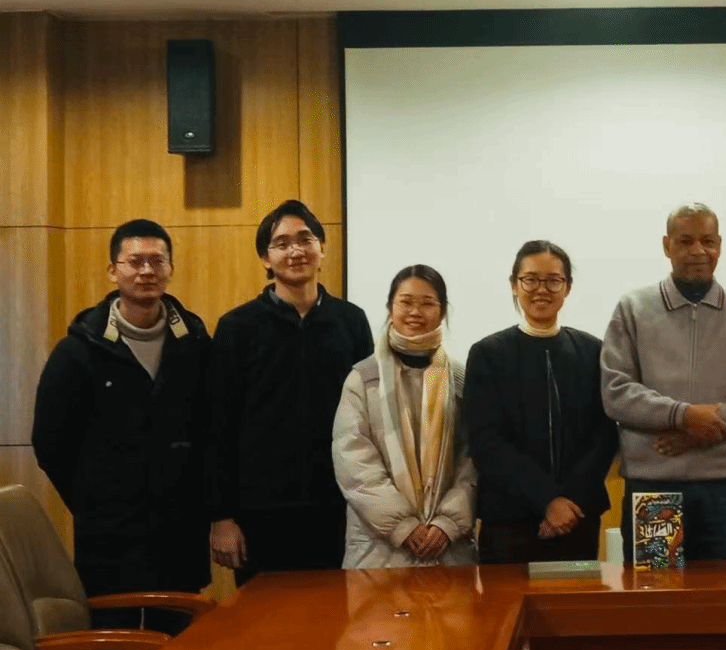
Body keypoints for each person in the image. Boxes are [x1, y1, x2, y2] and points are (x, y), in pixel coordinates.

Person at [32, 219, 211, 604]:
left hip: (181, 534)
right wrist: (95, 500)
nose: (147, 271)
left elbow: (212, 429)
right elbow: (50, 444)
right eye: (135, 261)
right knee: (115, 635)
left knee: (184, 636)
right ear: (113, 271)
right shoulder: (78, 351)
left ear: (170, 269)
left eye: (157, 261)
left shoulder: (195, 344)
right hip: (109, 541)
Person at [601, 203, 726, 562]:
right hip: (655, 488)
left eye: (707, 241)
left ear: (719, 246)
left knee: (725, 591)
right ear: (667, 245)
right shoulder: (633, 308)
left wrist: (703, 428)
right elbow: (616, 391)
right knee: (656, 590)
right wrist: (682, 415)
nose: (698, 251)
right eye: (686, 241)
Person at [208, 199, 374, 583]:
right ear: (265, 259)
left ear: (322, 249)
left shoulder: (350, 321)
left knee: (336, 615)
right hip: (260, 512)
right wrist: (221, 516)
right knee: (265, 619)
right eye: (281, 244)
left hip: (338, 505)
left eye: (305, 239)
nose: (295, 250)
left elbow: (370, 415)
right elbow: (217, 425)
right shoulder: (237, 327)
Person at [464, 241, 618, 564]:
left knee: (574, 599)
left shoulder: (592, 351)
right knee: (506, 599)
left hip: (578, 518)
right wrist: (547, 500)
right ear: (514, 284)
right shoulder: (488, 354)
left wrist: (568, 502)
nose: (541, 290)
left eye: (553, 280)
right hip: (509, 520)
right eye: (530, 280)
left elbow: (604, 435)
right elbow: (486, 441)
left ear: (568, 287)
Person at [332, 265, 476, 567]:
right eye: (406, 302)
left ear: (442, 311)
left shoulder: (459, 378)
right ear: (390, 308)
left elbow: (472, 458)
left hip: (447, 549)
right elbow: (354, 461)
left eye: (427, 303)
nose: (415, 312)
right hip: (378, 550)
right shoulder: (363, 378)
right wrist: (402, 525)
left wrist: (447, 523)